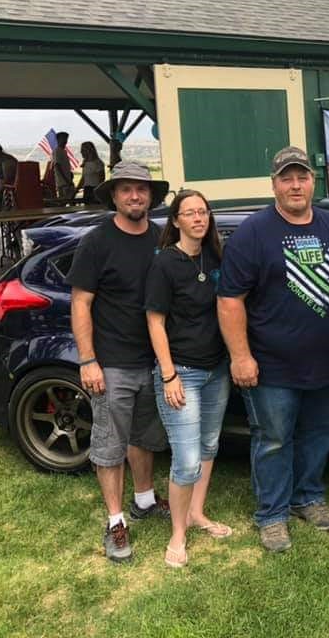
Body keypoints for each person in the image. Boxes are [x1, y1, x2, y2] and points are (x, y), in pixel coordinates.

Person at [218, 146, 329, 553]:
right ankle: (272, 515)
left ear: (313, 180)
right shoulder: (253, 232)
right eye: (286, 178)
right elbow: (229, 300)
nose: (295, 185)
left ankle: (307, 496)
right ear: (274, 183)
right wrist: (241, 356)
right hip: (271, 366)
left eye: (302, 176)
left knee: (323, 432)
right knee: (274, 439)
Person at [66, 161, 171, 563]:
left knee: (144, 436)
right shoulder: (97, 242)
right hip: (112, 363)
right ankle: (115, 521)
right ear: (113, 195)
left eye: (141, 189)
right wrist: (88, 360)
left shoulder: (160, 238)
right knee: (110, 445)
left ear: (151, 196)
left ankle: (144, 499)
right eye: (126, 189)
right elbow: (81, 302)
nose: (134, 196)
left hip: (153, 361)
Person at [146, 189, 232, 569]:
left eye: (203, 212)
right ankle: (178, 533)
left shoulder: (216, 256)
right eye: (190, 213)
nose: (199, 218)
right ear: (176, 220)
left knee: (210, 445)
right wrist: (168, 374)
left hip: (217, 370)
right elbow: (155, 321)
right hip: (182, 372)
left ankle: (197, 513)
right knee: (186, 459)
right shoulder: (165, 263)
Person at [53, 131, 74, 198]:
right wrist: (66, 180)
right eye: (63, 139)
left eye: (66, 139)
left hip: (66, 181)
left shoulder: (63, 151)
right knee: (64, 200)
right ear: (58, 139)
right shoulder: (57, 151)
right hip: (63, 183)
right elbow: (57, 165)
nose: (65, 141)